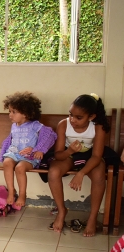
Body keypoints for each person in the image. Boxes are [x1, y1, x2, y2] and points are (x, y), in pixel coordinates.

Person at [46, 93, 117, 237]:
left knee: (98, 175)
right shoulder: (64, 124)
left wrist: (81, 173)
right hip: (69, 155)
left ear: (91, 117)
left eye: (78, 117)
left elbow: (97, 156)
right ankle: (61, 211)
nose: (73, 120)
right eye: (71, 114)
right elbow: (58, 154)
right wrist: (70, 150)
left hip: (91, 156)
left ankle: (92, 217)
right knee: (53, 172)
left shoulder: (98, 127)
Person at [0, 91, 56, 211]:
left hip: (29, 157)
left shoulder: (35, 125)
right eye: (9, 111)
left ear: (25, 113)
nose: (10, 115)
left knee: (20, 168)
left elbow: (50, 135)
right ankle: (11, 190)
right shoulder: (14, 125)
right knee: (6, 163)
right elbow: (11, 140)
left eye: (14, 112)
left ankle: (22, 194)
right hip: (14, 153)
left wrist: (38, 149)